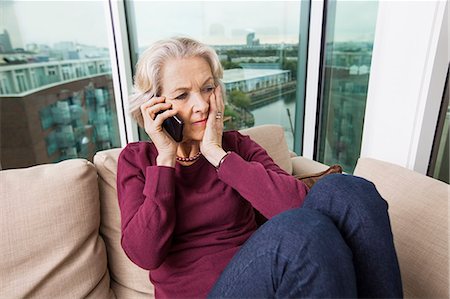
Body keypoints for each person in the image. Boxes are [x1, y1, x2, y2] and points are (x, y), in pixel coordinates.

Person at [117, 36, 403, 298]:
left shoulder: (236, 147)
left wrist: (219, 156)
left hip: (267, 282)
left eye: (207, 89)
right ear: (153, 106)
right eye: (182, 96)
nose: (202, 105)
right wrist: (165, 160)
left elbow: (298, 207)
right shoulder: (137, 160)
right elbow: (145, 253)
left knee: (349, 190)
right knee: (295, 232)